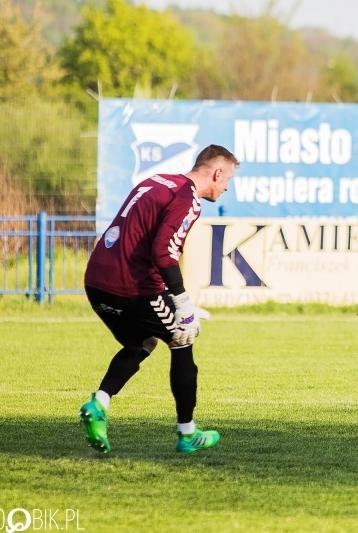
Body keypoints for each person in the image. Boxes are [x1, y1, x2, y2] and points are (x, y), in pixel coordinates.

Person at [80, 144, 239, 454]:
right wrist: (182, 302)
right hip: (131, 287)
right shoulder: (188, 200)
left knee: (143, 342)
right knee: (183, 337)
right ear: (217, 172)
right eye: (228, 179)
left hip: (96, 280)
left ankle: (98, 404)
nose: (227, 186)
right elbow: (163, 253)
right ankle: (187, 434)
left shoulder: (156, 181)